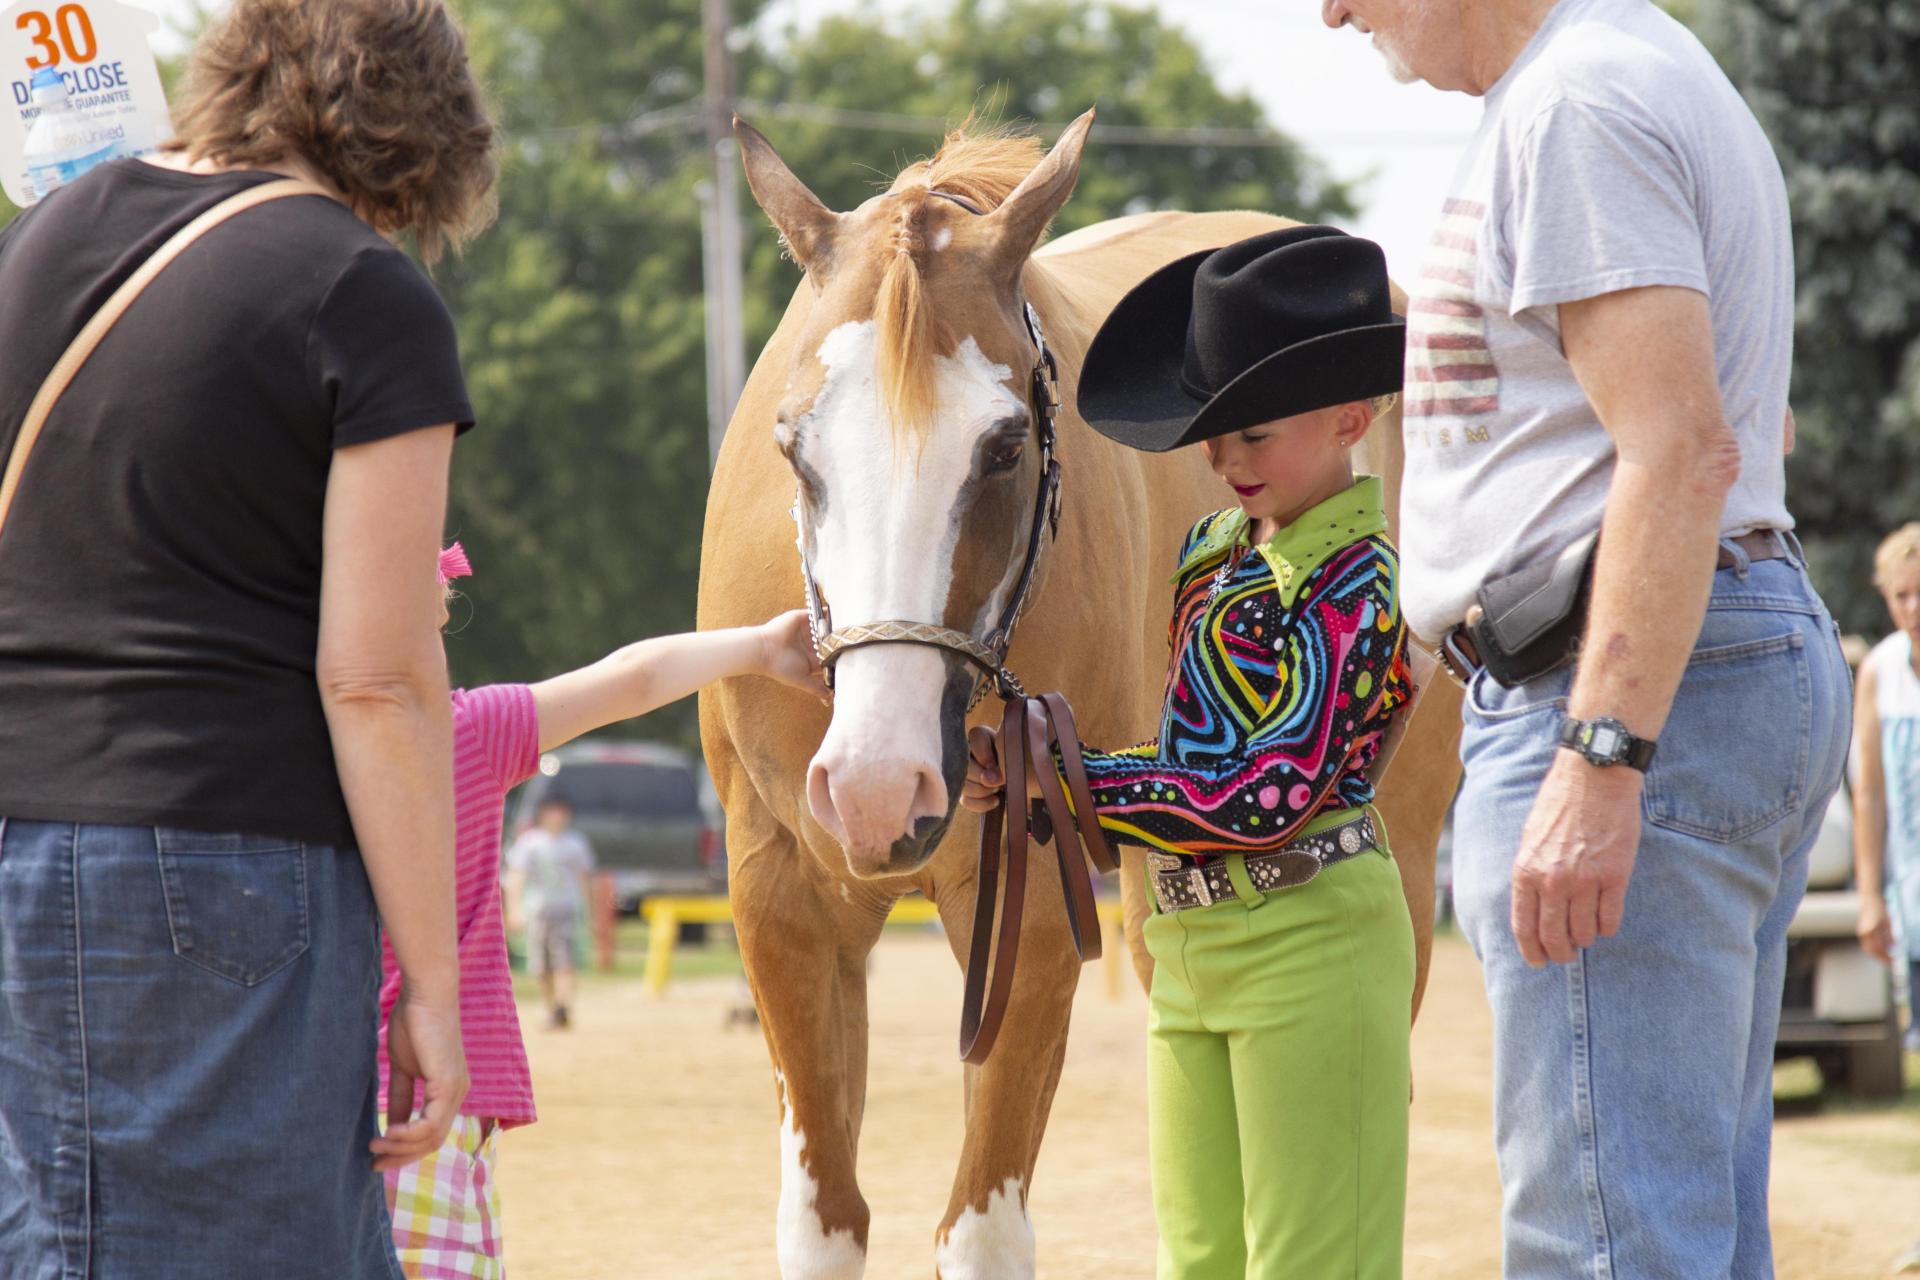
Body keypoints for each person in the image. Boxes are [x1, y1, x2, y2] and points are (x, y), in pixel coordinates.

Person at [1318, 0, 1852, 1274]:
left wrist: (1604, 751)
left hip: (1620, 680)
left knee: (1606, 1237)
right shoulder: (1618, 71)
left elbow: (1679, 446)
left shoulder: (1574, 104)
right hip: (1695, 656)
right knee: (1680, 1223)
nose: (1331, 13)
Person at [0, 1, 497, 1274]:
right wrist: (433, 991)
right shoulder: (358, 288)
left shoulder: (46, 239)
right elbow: (378, 676)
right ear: (422, 139)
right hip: (216, 868)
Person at [966, 226, 1417, 1279]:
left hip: (1313, 941)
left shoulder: (1365, 581)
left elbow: (1266, 790)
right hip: (1187, 945)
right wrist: (1044, 768)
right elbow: (1193, 747)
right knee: (1197, 1261)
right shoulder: (1212, 556)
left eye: (1251, 434)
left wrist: (1065, 773)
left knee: (1317, 1264)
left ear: (1352, 416)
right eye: (1212, 436)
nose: (1223, 460)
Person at [374, 544, 823, 1279]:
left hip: (319, 1080)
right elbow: (631, 676)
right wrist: (761, 647)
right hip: (435, 1095)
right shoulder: (467, 734)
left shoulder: (299, 757)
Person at [1854, 523, 1920, 1053]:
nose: (1914, 608)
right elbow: (1870, 794)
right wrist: (1871, 896)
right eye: (1902, 595)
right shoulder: (1880, 671)